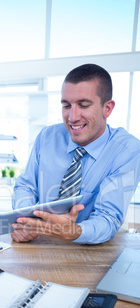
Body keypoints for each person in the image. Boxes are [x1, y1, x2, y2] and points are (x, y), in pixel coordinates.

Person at [11, 64, 140, 244]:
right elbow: (26, 186)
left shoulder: (127, 149)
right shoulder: (47, 137)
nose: (72, 117)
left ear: (107, 108)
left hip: (89, 250)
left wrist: (76, 231)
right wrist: (25, 221)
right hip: (41, 243)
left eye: (83, 105)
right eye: (66, 105)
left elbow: (108, 217)